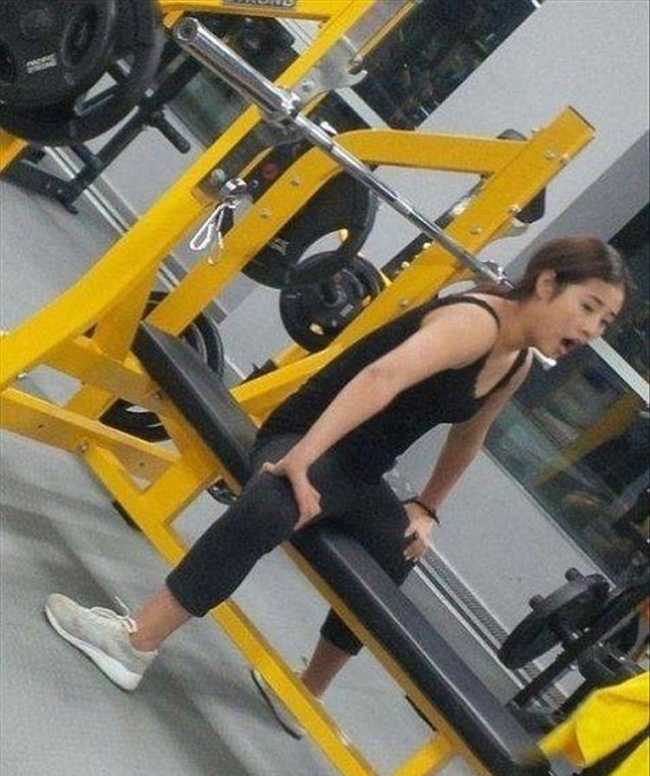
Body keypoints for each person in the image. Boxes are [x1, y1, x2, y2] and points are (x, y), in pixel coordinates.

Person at [44, 235, 629, 739]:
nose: (591, 329)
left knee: (398, 548)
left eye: (604, 322)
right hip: (306, 435)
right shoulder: (474, 323)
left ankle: (305, 690)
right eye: (588, 307)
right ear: (546, 284)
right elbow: (381, 377)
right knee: (273, 504)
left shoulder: (516, 361)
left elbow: (467, 437)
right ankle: (136, 641)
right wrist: (299, 459)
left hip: (359, 473)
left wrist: (427, 508)